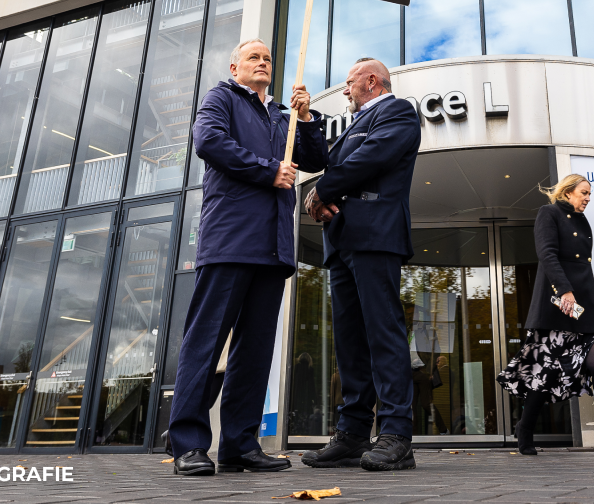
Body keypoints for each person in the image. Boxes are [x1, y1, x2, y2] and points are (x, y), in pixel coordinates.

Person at [168, 39, 328, 476]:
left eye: (267, 59)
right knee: (206, 342)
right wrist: (268, 170)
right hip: (230, 240)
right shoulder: (221, 98)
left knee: (255, 351)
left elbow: (316, 158)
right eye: (253, 57)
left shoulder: (281, 115)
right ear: (234, 67)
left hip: (273, 247)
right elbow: (208, 141)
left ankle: (240, 445)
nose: (262, 63)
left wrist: (306, 117)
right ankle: (187, 443)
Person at [301, 58, 421, 471]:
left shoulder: (398, 111)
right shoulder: (353, 125)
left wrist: (322, 191)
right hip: (342, 242)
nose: (346, 90)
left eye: (350, 82)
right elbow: (336, 163)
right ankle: (352, 434)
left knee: (383, 334)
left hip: (375, 236)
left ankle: (396, 434)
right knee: (350, 342)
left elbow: (370, 158)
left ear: (371, 81)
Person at [497, 174, 594, 458]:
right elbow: (547, 254)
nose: (588, 198)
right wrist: (564, 290)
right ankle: (525, 428)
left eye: (589, 194)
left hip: (585, 302)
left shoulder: (582, 220)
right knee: (546, 372)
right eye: (584, 192)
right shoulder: (549, 213)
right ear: (567, 192)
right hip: (559, 302)